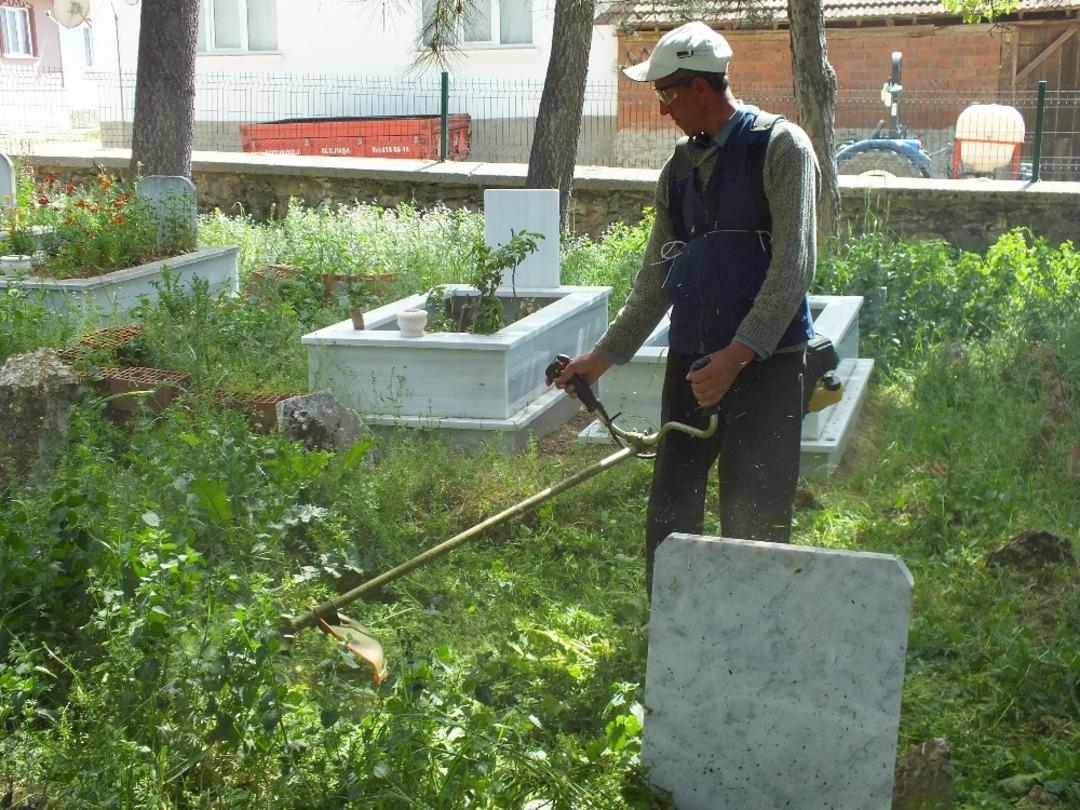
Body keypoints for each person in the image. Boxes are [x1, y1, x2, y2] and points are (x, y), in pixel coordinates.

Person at [553, 21, 820, 596]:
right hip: (693, 360)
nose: (662, 110)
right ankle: (672, 619)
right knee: (672, 503)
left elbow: (794, 267)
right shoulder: (676, 171)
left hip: (767, 365)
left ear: (700, 87)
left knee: (755, 507)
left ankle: (753, 624)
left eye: (665, 95)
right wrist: (600, 359)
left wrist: (737, 356)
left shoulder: (780, 147)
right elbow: (656, 279)